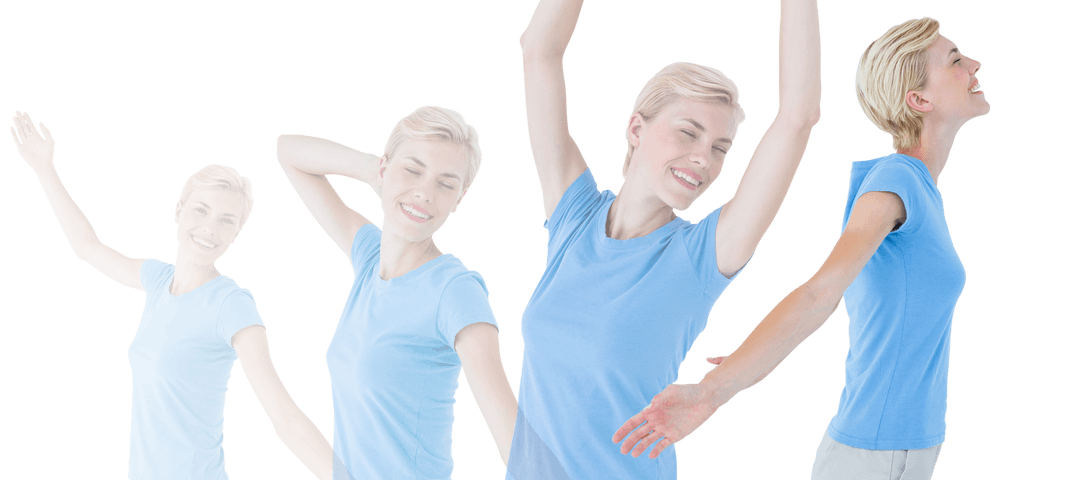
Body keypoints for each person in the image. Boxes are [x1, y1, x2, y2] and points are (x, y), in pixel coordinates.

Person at [624, 17, 987, 480]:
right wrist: (711, 391)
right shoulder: (895, 182)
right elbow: (822, 290)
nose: (974, 63)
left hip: (915, 446)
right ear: (919, 100)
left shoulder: (922, 191)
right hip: (869, 457)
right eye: (956, 59)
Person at [512, 0, 821, 478]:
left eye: (720, 148)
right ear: (637, 128)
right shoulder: (574, 219)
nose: (704, 158)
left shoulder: (699, 259)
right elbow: (538, 52)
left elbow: (797, 117)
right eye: (688, 133)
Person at [10, 110, 334, 480]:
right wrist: (43, 167)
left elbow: (284, 416)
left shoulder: (231, 305)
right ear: (179, 211)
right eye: (201, 209)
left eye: (227, 221)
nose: (210, 228)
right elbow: (87, 247)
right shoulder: (157, 280)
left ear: (235, 235)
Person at [276, 105, 518, 480]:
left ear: (460, 198)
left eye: (445, 183)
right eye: (413, 169)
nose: (424, 193)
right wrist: (377, 172)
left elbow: (508, 430)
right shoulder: (370, 258)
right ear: (386, 166)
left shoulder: (455, 291)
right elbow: (288, 151)